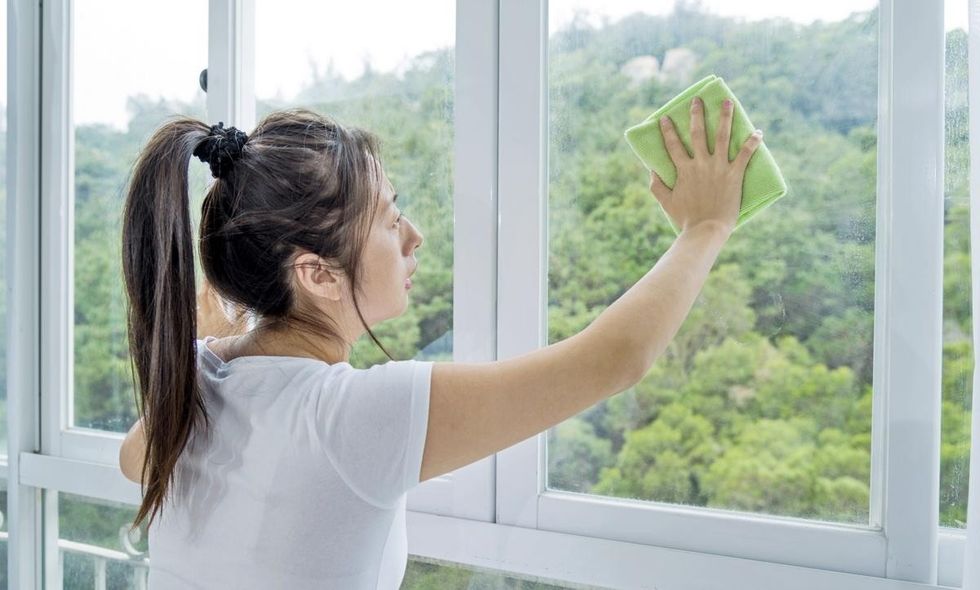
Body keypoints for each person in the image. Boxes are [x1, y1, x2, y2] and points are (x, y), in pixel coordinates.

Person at [118, 99, 762, 589]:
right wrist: (706, 226)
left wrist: (229, 330)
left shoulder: (197, 384)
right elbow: (610, 360)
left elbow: (133, 458)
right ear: (317, 273)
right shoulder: (349, 415)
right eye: (390, 220)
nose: (414, 236)